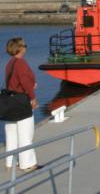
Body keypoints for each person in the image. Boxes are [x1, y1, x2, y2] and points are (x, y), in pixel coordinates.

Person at [4, 37, 41, 172]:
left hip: (10, 102)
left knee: (12, 133)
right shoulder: (21, 62)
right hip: (21, 101)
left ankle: (10, 162)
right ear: (19, 48)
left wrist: (31, 84)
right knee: (26, 134)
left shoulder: (10, 63)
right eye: (24, 45)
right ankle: (28, 164)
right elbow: (24, 82)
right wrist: (33, 98)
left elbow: (13, 82)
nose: (26, 47)